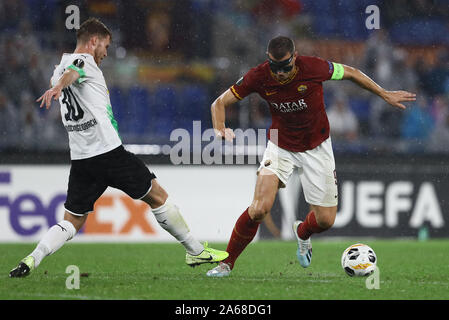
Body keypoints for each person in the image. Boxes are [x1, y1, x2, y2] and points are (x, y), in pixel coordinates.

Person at [9, 18, 228, 278]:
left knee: (71, 221)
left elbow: (69, 74)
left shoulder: (57, 68)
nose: (106, 53)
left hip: (82, 160)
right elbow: (76, 71)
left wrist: (57, 83)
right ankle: (194, 251)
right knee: (157, 195)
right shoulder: (83, 62)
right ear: (93, 41)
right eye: (106, 46)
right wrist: (59, 86)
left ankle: (32, 259)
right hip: (109, 153)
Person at [206, 36, 416, 277]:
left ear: (295, 58)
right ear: (268, 61)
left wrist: (382, 93)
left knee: (325, 220)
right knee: (259, 209)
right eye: (275, 68)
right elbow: (219, 103)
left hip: (317, 147)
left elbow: (351, 72)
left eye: (286, 67)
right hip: (280, 146)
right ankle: (226, 263)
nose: (281, 73)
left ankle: (302, 233)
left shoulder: (314, 67)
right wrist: (219, 128)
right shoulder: (259, 76)